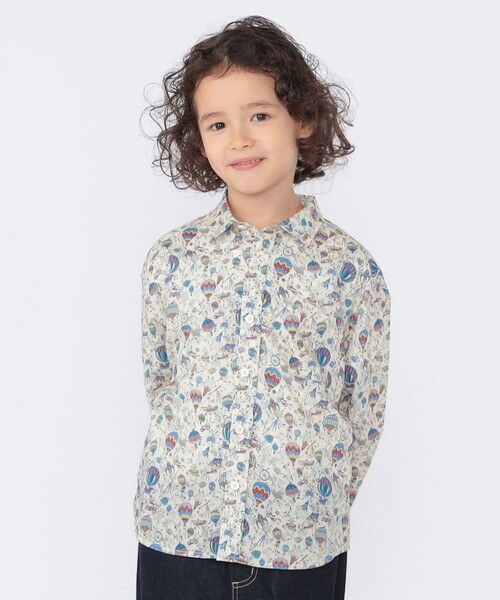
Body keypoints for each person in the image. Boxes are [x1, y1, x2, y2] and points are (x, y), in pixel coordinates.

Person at [133, 15, 391, 600]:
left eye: (259, 115)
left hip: (299, 541)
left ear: (302, 118)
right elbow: (163, 379)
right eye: (217, 123)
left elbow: (364, 408)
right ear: (199, 139)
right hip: (178, 533)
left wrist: (311, 490)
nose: (239, 139)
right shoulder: (172, 259)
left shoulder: (349, 268)